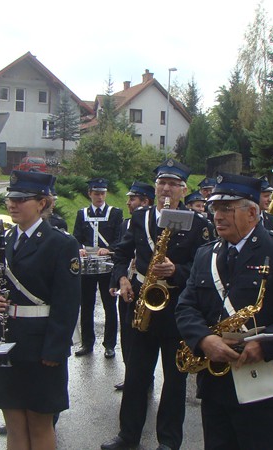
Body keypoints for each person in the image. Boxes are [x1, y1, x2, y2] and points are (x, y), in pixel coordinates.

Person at [176, 173, 273, 449]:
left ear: (252, 212)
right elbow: (186, 305)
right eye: (215, 208)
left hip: (261, 382)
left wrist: (265, 345)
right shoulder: (205, 254)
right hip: (215, 383)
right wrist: (204, 339)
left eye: (227, 209)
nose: (217, 216)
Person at [102, 159, 214, 450]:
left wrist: (177, 270)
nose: (166, 189)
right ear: (155, 187)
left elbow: (204, 267)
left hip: (178, 306)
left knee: (175, 380)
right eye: (162, 183)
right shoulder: (140, 218)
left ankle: (168, 441)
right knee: (136, 375)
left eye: (173, 184)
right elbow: (121, 254)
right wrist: (122, 279)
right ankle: (128, 435)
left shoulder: (199, 223)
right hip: (141, 301)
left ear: (183, 189)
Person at [0, 170, 81, 449]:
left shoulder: (61, 243)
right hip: (5, 342)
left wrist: (55, 350)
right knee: (13, 423)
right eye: (10, 198)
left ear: (42, 203)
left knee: (39, 424)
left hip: (40, 346)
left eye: (21, 199)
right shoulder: (0, 239)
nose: (12, 204)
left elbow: (67, 302)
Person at [73, 178, 123, 358]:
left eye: (102, 193)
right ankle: (87, 343)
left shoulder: (115, 213)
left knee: (110, 306)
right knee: (86, 305)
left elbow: (119, 238)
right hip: (88, 267)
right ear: (90, 194)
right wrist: (80, 248)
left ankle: (109, 344)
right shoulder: (82, 214)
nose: (100, 197)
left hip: (107, 266)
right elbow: (76, 237)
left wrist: (108, 249)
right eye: (96, 194)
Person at [112, 181, 155, 391]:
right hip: (127, 285)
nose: (128, 203)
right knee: (128, 332)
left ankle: (146, 378)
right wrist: (116, 280)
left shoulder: (155, 222)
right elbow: (121, 253)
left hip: (147, 284)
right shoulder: (126, 224)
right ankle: (131, 374)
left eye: (133, 199)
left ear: (145, 202)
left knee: (147, 336)